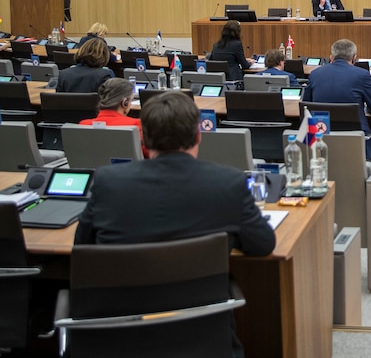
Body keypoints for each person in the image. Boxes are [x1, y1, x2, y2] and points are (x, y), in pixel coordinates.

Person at [74, 91, 275, 256]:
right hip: (203, 302)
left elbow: (82, 246)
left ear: (143, 138)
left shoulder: (108, 182)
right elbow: (263, 244)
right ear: (198, 135)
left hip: (125, 303)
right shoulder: (230, 183)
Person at [303, 38, 371, 160]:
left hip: (320, 138)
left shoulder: (315, 74)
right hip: (355, 142)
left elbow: (306, 107)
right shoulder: (362, 75)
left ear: (331, 57)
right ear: (354, 58)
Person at [79, 78, 148, 155]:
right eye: (131, 100)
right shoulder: (137, 125)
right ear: (125, 103)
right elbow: (150, 154)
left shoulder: (84, 125)